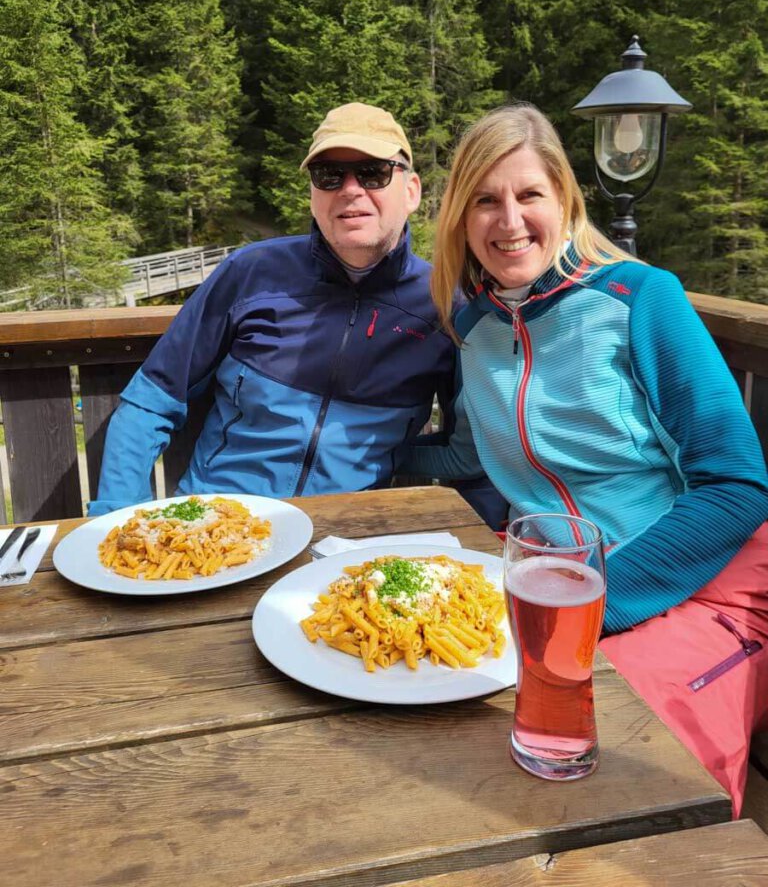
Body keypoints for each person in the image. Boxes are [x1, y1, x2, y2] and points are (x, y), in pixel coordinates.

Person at [400, 102, 768, 815]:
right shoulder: (475, 324)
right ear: (460, 218)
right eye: (485, 200)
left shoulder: (639, 299)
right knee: (444, 740)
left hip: (705, 585)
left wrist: (595, 603)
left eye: (529, 195)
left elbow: (736, 485)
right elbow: (470, 456)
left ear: (563, 200)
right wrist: (367, 472)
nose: (509, 221)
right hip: (556, 588)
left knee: (635, 772)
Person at [91, 102, 500, 521]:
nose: (350, 189)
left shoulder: (443, 307)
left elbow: (470, 451)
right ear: (313, 195)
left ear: (411, 190)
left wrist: (488, 547)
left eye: (373, 172)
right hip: (216, 523)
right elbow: (151, 402)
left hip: (346, 538)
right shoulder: (250, 273)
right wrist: (115, 520)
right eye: (329, 175)